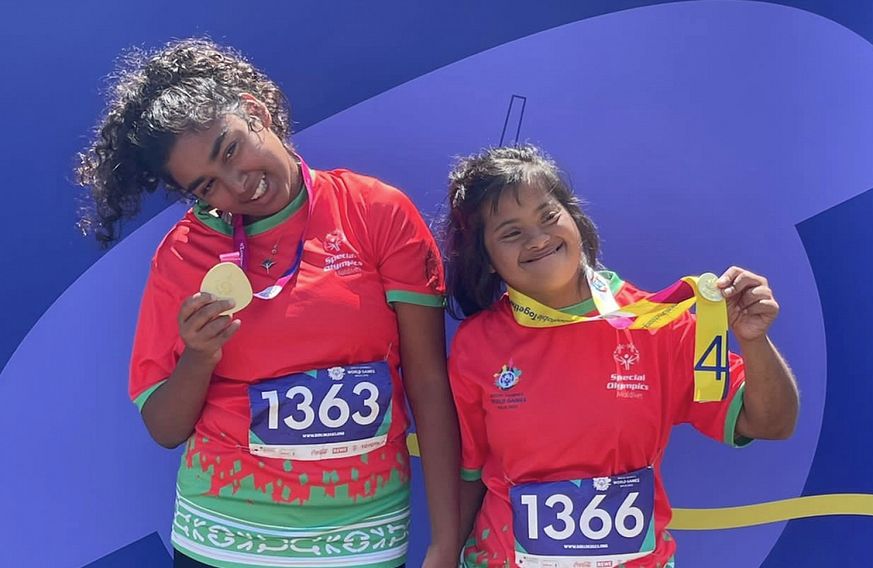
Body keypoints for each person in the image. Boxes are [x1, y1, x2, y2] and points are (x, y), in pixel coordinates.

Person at [76, 38, 460, 568]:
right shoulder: (183, 254)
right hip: (222, 542)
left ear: (255, 112)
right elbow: (164, 429)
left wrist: (445, 541)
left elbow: (428, 384)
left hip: (362, 542)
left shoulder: (377, 212)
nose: (238, 185)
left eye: (230, 149)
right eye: (207, 186)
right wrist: (199, 356)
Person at [442, 145, 799, 568]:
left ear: (575, 219)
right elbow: (469, 474)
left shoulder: (655, 323)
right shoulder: (476, 344)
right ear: (486, 259)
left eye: (548, 216)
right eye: (511, 233)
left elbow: (770, 423)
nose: (538, 239)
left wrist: (754, 342)